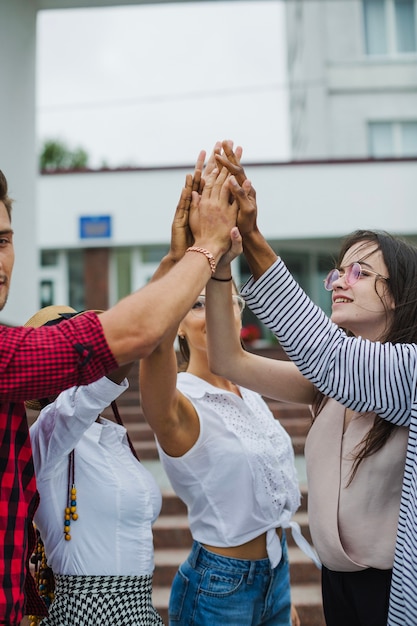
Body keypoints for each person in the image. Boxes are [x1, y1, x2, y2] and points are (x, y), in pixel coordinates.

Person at [0, 160, 236, 626]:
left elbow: (133, 343)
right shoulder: (51, 430)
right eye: (61, 336)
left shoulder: (111, 436)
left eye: (4, 240)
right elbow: (130, 343)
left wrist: (177, 261)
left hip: (138, 610)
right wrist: (202, 250)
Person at [207, 142, 417, 626]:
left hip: (390, 589)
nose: (340, 281)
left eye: (360, 272)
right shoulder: (326, 380)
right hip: (335, 584)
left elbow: (332, 356)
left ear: (400, 295)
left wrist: (253, 235)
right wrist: (220, 265)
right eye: (338, 271)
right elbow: (226, 359)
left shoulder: (406, 374)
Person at [138, 158, 307, 626]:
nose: (210, 312)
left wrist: (280, 592)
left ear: (236, 314)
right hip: (219, 586)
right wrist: (180, 262)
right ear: (178, 325)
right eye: (191, 306)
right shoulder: (183, 402)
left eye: (219, 302)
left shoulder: (249, 390)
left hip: (274, 571)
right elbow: (151, 355)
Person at [25, 305, 163, 626]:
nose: (94, 357)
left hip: (140, 610)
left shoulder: (113, 436)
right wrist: (142, 326)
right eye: (83, 351)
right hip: (86, 614)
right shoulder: (46, 435)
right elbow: (85, 398)